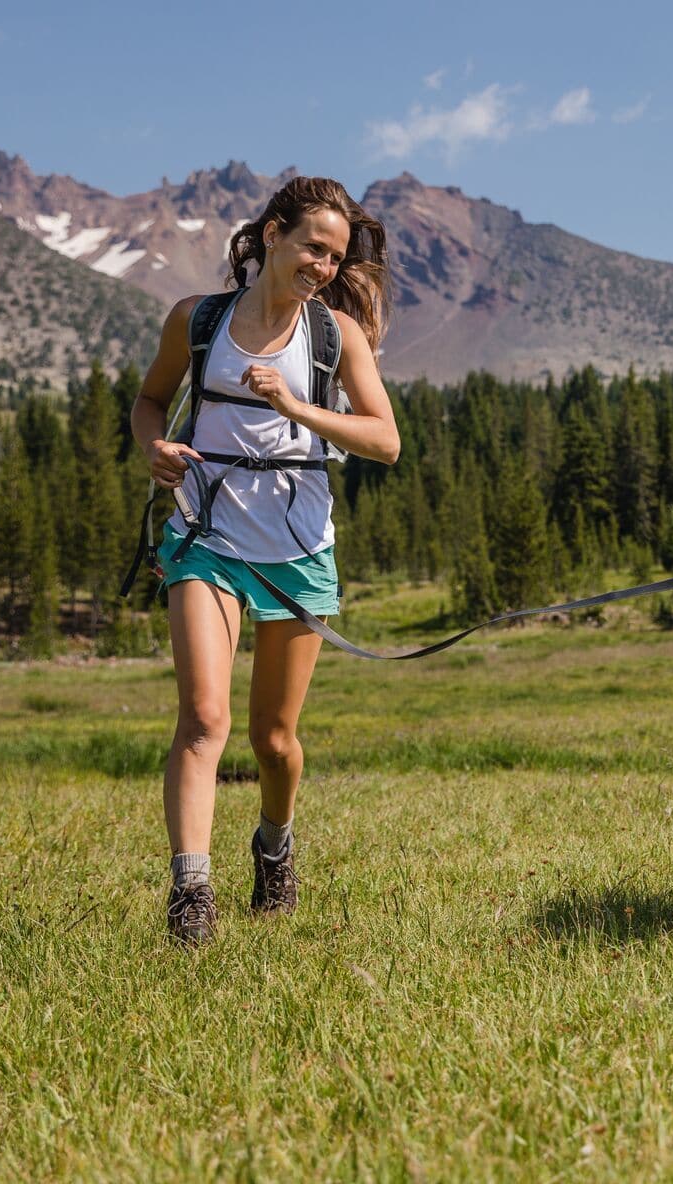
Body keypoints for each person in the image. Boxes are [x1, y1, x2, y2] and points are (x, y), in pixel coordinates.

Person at [130, 177, 399, 946]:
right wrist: (155, 448)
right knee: (202, 720)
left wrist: (296, 407)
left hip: (297, 549)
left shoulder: (334, 336)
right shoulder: (199, 319)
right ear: (273, 235)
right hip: (206, 535)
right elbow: (150, 403)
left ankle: (274, 848)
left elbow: (385, 440)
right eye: (313, 247)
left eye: (335, 256)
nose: (323, 265)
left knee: (274, 742)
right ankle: (191, 895)